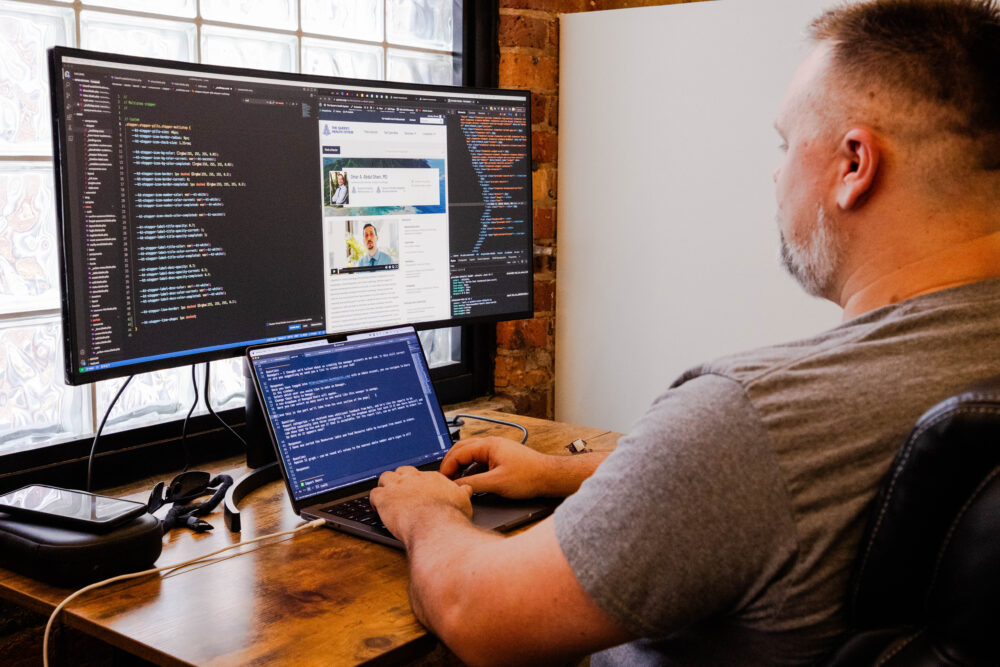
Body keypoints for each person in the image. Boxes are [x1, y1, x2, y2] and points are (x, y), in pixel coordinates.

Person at [369, 0, 1000, 664]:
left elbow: (477, 610)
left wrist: (424, 509)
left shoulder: (749, 417)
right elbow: (772, 492)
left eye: (786, 146)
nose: (776, 174)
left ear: (854, 166)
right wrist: (558, 472)